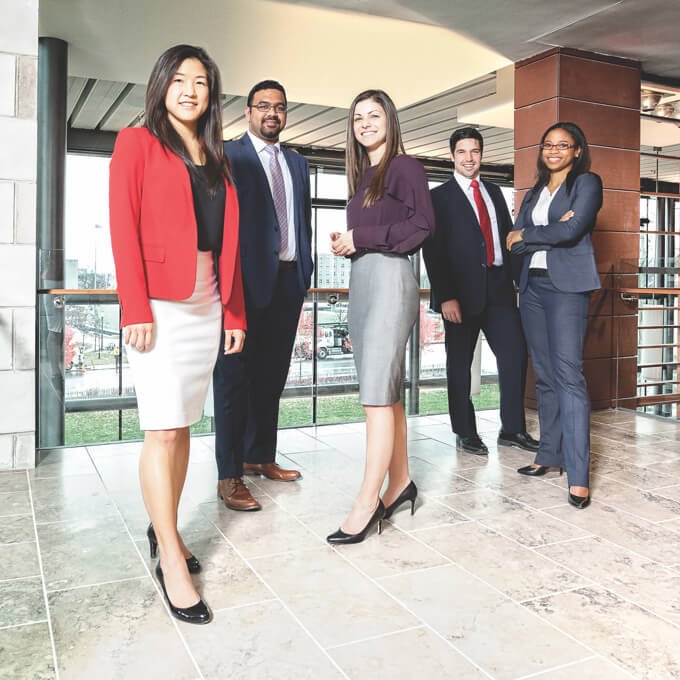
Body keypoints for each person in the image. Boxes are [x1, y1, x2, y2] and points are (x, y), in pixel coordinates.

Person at [109, 44, 246, 624]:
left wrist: (234, 315)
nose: (191, 90)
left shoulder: (218, 155)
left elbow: (229, 246)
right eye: (181, 79)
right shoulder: (135, 142)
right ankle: (168, 551)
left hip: (208, 298)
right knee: (161, 431)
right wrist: (134, 307)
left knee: (184, 424)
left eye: (202, 82)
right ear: (162, 84)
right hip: (158, 306)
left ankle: (164, 528)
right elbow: (123, 227)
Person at [326, 90, 434, 545]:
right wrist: (348, 242)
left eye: (373, 115)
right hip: (363, 282)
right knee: (385, 393)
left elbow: (423, 226)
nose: (365, 123)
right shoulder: (364, 175)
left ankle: (368, 501)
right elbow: (377, 229)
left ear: (389, 119)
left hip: (391, 281)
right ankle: (401, 482)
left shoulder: (405, 166)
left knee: (374, 394)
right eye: (357, 118)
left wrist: (361, 235)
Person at [212, 80, 313, 511]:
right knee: (234, 379)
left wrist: (305, 269)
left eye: (280, 107)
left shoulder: (297, 162)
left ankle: (260, 457)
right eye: (264, 106)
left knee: (272, 374)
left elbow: (299, 219)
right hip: (242, 283)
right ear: (249, 111)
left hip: (289, 280)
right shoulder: (228, 155)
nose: (272, 113)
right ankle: (229, 473)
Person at [422, 127, 539, 455]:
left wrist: (519, 280)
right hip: (459, 295)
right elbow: (433, 250)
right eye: (462, 152)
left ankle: (513, 429)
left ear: (481, 155)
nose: (469, 158)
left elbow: (506, 238)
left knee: (515, 355)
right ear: (452, 156)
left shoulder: (494, 192)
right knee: (459, 366)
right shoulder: (438, 197)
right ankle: (465, 432)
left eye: (474, 151)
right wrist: (445, 296)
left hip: (500, 289)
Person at [507, 121, 602, 509]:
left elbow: (574, 229)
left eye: (564, 145)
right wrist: (539, 232)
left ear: (577, 150)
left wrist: (530, 234)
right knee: (544, 376)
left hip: (567, 289)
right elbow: (512, 242)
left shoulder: (587, 183)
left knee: (568, 377)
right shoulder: (533, 192)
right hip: (532, 288)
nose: (555, 150)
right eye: (548, 144)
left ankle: (579, 476)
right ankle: (549, 455)